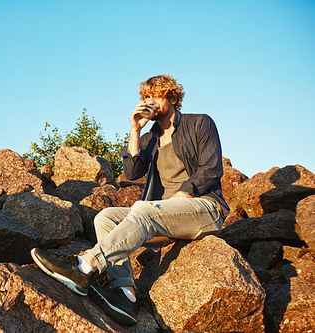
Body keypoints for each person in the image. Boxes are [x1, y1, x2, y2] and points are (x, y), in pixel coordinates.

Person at [31, 74, 229, 326]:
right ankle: (126, 295)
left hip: (204, 208)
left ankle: (85, 266)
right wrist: (135, 129)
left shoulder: (199, 123)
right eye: (145, 97)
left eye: (154, 96)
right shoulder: (150, 138)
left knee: (144, 210)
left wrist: (181, 194)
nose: (149, 102)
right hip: (164, 217)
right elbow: (132, 172)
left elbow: (211, 169)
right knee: (105, 217)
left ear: (171, 96)